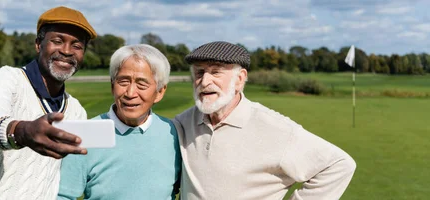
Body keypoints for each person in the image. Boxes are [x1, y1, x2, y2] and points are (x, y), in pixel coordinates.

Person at [172, 41, 357, 200]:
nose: (204, 81)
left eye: (215, 72)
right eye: (199, 72)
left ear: (239, 79)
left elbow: (339, 165)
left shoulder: (276, 128)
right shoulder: (182, 123)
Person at [0, 6, 98, 200]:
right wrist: (22, 131)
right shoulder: (8, 78)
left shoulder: (76, 112)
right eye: (57, 41)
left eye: (77, 46)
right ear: (38, 44)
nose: (67, 51)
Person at [57, 44, 181, 200]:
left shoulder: (172, 133)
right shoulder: (86, 134)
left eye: (142, 84)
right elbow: (63, 196)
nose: (130, 93)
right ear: (112, 86)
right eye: (123, 82)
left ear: (160, 92)